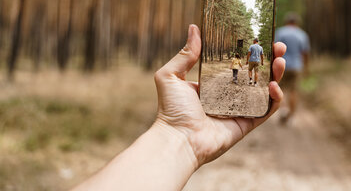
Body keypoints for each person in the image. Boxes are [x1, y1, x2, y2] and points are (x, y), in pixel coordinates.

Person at [73, 25, 287, 191]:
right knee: (258, 74)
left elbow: (249, 56)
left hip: (248, 64)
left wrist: (177, 134)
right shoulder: (259, 48)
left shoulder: (251, 48)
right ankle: (252, 81)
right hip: (257, 64)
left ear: (254, 41)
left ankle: (249, 79)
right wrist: (179, 133)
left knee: (252, 72)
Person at [275, 12, 310, 124]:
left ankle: (284, 109)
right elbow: (305, 53)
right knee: (293, 91)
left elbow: (276, 48)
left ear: (287, 22)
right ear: (297, 23)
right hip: (296, 66)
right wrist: (306, 68)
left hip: (282, 65)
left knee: (281, 89)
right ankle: (291, 117)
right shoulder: (302, 34)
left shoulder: (280, 32)